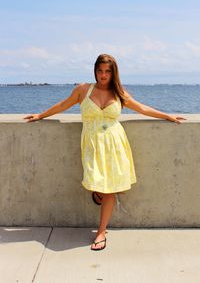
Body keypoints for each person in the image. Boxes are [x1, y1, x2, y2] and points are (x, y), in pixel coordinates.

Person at [24, 54, 186, 251]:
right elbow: (63, 105)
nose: (103, 75)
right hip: (92, 144)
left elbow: (141, 108)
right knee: (99, 182)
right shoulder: (83, 90)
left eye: (107, 71)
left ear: (113, 73)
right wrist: (40, 115)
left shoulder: (119, 93)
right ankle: (99, 193)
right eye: (100, 71)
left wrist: (167, 115)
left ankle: (101, 232)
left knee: (110, 187)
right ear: (95, 71)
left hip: (114, 143)